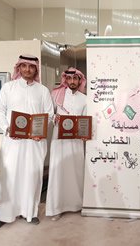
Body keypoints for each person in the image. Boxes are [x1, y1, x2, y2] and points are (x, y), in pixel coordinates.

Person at [0, 54, 54, 230]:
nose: (27, 70)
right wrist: (7, 128)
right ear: (19, 68)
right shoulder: (8, 88)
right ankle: (3, 214)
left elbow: (49, 115)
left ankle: (30, 212)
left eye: (31, 67)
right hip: (13, 142)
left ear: (36, 69)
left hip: (34, 143)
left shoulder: (43, 91)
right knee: (9, 177)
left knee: (31, 176)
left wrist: (41, 131)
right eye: (24, 66)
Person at [45, 67, 87, 220]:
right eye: (69, 79)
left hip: (75, 141)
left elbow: (85, 120)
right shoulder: (56, 95)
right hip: (59, 140)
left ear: (80, 80)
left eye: (75, 79)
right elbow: (49, 113)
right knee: (58, 171)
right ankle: (57, 207)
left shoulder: (85, 99)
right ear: (65, 80)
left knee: (75, 172)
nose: (72, 82)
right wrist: (54, 117)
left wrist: (85, 132)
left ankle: (77, 204)